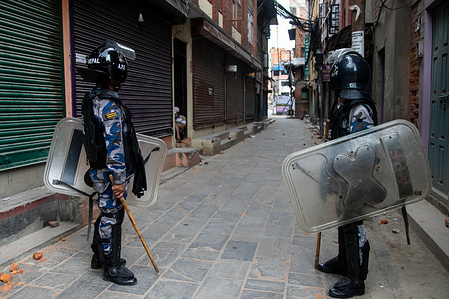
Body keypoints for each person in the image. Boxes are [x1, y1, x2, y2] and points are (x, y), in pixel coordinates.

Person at [77, 40, 146, 285]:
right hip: (109, 173)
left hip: (101, 171)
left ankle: (100, 255)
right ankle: (111, 267)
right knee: (111, 216)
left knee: (108, 212)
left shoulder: (94, 99)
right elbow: (114, 146)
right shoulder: (108, 106)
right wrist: (118, 180)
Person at [317, 49, 378, 298]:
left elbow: (365, 148)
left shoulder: (360, 108)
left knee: (354, 225)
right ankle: (344, 261)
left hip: (356, 178)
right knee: (343, 220)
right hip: (341, 176)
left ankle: (356, 279)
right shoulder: (342, 104)